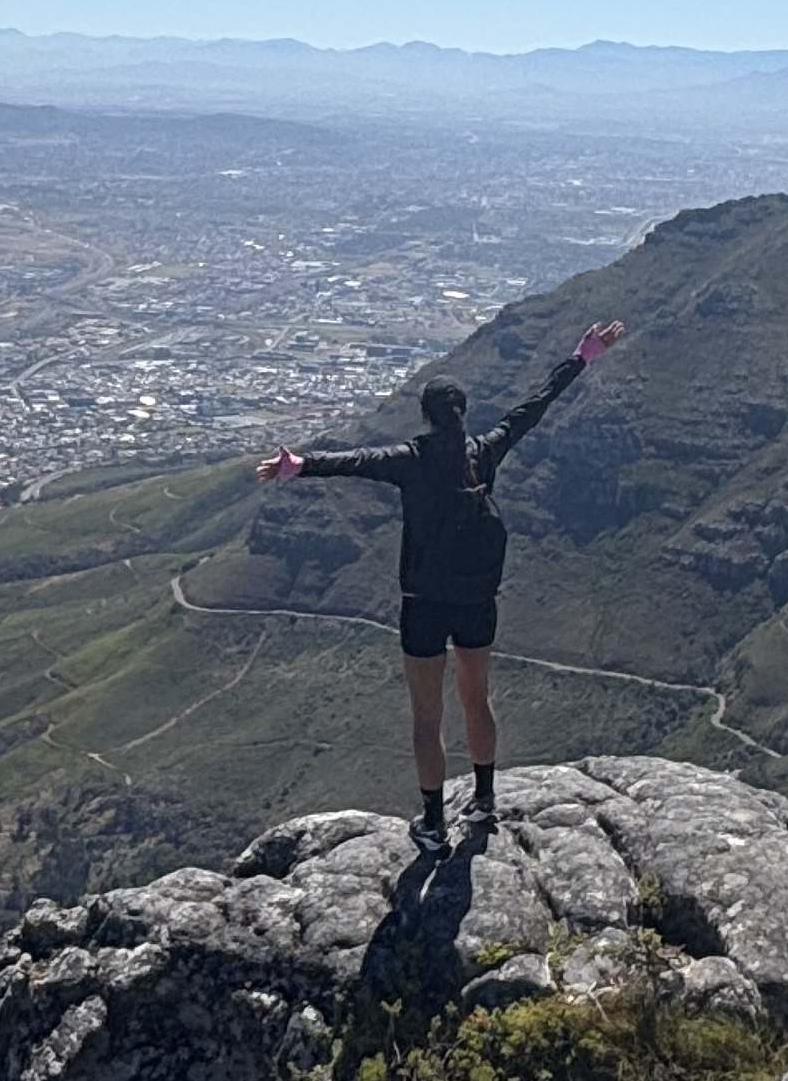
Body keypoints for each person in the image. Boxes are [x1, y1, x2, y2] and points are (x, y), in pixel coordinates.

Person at [257, 321, 626, 853]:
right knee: (477, 699)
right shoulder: (484, 452)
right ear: (463, 414)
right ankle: (483, 799)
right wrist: (582, 355)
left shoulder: (410, 460)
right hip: (477, 598)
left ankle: (432, 823)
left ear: (426, 416)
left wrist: (299, 466)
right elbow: (533, 407)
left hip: (423, 604)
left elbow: (355, 462)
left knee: (427, 717)